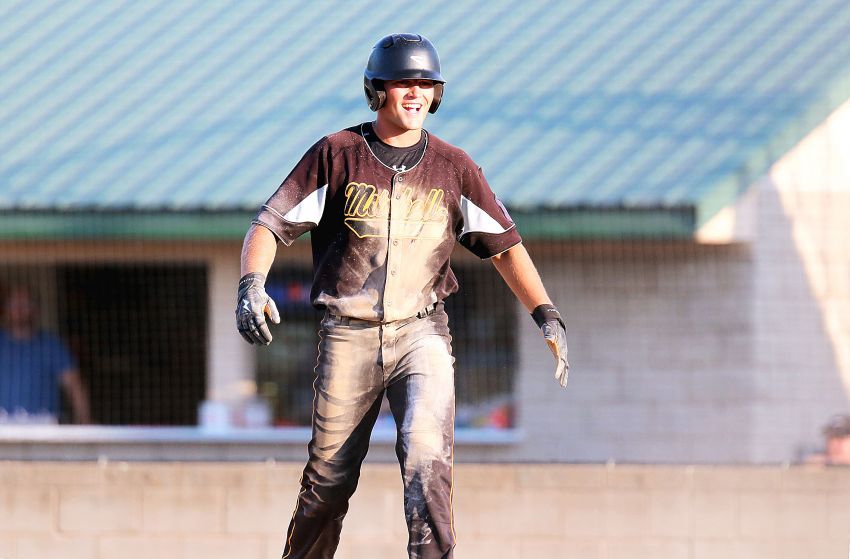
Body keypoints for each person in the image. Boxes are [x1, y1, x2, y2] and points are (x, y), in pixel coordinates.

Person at [236, 33, 569, 559]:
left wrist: (546, 314)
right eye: (403, 82)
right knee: (328, 482)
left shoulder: (454, 167)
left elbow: (506, 247)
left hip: (422, 332)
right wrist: (251, 284)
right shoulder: (337, 154)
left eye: (425, 83)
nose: (415, 92)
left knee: (427, 462)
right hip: (348, 332)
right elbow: (269, 225)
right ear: (377, 91)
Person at [0, 285, 91, 424]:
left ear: (36, 310)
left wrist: (85, 422)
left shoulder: (51, 346)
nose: (19, 310)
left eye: (24, 305)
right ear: (5, 310)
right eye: (14, 304)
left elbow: (74, 386)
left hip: (42, 425)